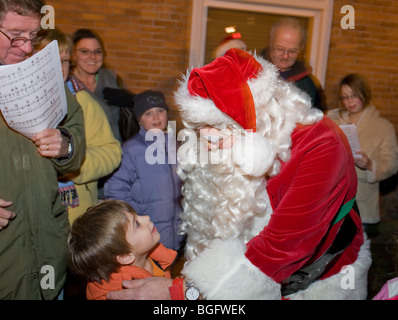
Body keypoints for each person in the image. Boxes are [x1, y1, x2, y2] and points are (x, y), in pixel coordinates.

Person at [107, 49, 371, 300]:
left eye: (217, 124)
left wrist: (178, 292)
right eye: (199, 127)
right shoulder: (230, 140)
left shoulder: (321, 145)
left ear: (255, 116)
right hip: (247, 280)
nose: (206, 139)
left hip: (322, 280)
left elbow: (284, 247)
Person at [0, 0, 86, 299]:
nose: (26, 48)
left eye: (33, 37)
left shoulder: (39, 71)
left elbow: (74, 125)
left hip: (48, 250)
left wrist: (66, 144)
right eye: (15, 36)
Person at [36, 28, 123, 223]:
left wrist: (72, 164)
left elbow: (111, 151)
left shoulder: (82, 101)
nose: (60, 67)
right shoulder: (14, 103)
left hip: (75, 214)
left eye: (64, 60)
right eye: (51, 59)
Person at [104, 90, 185, 251]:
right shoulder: (131, 150)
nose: (156, 117)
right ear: (139, 120)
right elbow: (115, 189)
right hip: (148, 233)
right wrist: (137, 215)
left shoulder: (176, 146)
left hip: (177, 232)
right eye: (148, 113)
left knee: (170, 272)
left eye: (160, 111)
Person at [327, 73, 398, 233]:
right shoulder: (332, 120)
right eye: (345, 97)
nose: (349, 101)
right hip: (330, 197)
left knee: (355, 254)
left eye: (354, 95)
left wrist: (370, 164)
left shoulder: (382, 127)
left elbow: (392, 164)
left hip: (361, 200)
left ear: (364, 94)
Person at [67, 200, 177, 300]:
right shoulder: (126, 294)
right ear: (125, 256)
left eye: (137, 216)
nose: (146, 218)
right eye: (137, 224)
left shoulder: (152, 259)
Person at [70, 28, 133, 198]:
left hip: (115, 160)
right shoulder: (66, 82)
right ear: (73, 55)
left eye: (97, 52)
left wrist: (131, 101)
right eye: (85, 51)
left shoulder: (111, 78)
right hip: (84, 161)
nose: (92, 57)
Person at [261, 17, 325, 111]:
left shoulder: (308, 84)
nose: (285, 56)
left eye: (292, 51)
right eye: (280, 49)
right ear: (271, 43)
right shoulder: (252, 72)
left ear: (301, 49)